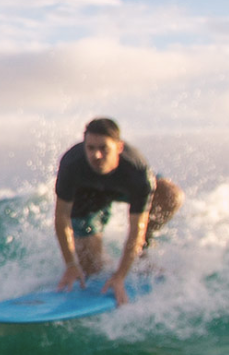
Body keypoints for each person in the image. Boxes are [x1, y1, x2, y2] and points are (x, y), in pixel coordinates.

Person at [54, 117, 182, 307]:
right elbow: (61, 217)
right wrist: (71, 265)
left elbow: (136, 226)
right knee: (92, 269)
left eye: (103, 148)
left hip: (125, 188)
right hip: (87, 196)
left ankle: (141, 252)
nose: (96, 155)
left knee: (171, 195)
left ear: (119, 147)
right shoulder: (71, 164)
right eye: (90, 148)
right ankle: (99, 266)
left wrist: (120, 275)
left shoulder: (136, 170)